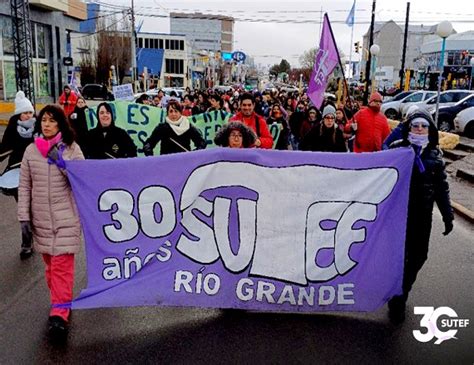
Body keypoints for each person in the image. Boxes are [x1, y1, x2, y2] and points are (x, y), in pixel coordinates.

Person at [17, 104, 84, 339]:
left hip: (66, 218)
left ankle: (59, 314)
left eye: (52, 120)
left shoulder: (72, 149)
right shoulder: (30, 151)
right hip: (41, 220)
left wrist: (63, 164)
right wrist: (23, 218)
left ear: (61, 124)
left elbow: (81, 181)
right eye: (43, 120)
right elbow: (24, 186)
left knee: (62, 268)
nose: (46, 124)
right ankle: (60, 300)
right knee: (50, 267)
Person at [387, 110, 454, 323]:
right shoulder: (398, 149)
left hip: (422, 216)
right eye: (415, 125)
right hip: (398, 217)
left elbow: (441, 189)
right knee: (398, 258)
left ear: (430, 129)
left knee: (419, 256)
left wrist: (448, 215)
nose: (419, 129)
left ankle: (403, 288)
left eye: (423, 126)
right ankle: (398, 298)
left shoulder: (435, 156)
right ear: (409, 127)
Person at [0, 91, 36, 259]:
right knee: (24, 210)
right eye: (25, 113)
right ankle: (26, 242)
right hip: (16, 174)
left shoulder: (40, 127)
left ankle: (40, 237)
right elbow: (3, 150)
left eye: (30, 112)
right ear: (19, 114)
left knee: (35, 209)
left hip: (36, 174)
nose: (28, 115)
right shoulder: (12, 129)